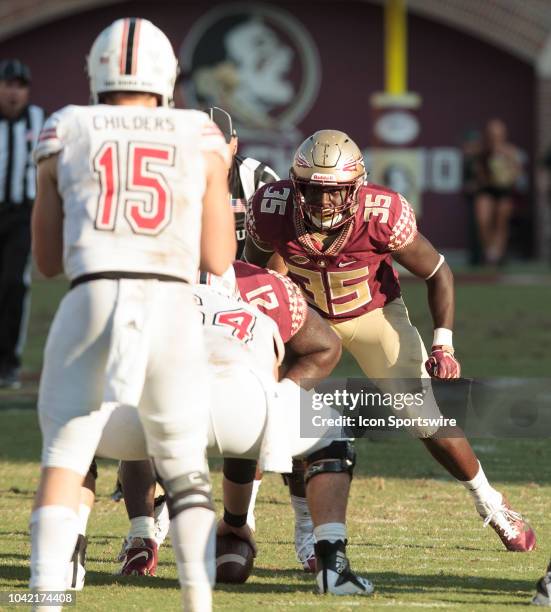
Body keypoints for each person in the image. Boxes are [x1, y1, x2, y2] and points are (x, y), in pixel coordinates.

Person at [244, 129, 536, 557]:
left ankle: (491, 503)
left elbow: (438, 271)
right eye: (313, 190)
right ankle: (255, 524)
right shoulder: (271, 207)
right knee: (268, 408)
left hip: (372, 316)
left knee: (424, 416)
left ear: (356, 187)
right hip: (304, 319)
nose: (324, 202)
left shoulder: (382, 211)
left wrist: (443, 344)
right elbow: (254, 273)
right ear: (295, 184)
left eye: (336, 192)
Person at [29, 17, 235, 612]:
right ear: (168, 75)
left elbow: (45, 262)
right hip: (170, 304)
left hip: (89, 298)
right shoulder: (199, 133)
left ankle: (44, 599)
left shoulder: (64, 127)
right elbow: (219, 256)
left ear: (95, 72)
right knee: (184, 465)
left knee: (64, 460)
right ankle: (198, 601)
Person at [92, 262, 373, 595]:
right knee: (331, 433)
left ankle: (78, 556)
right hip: (241, 406)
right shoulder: (261, 303)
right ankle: (332, 565)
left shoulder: (141, 290)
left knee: (77, 435)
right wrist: (236, 521)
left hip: (154, 412)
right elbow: (323, 347)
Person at [0, 59, 44, 388]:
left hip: (20, 216)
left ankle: (9, 362)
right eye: (8, 84)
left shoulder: (39, 120)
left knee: (14, 284)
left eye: (20, 85)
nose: (14, 92)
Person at [208, 106, 279, 258]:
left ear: (234, 144)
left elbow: (282, 244)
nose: (213, 152)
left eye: (220, 144)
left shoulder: (260, 180)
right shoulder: (174, 177)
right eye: (205, 144)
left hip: (248, 276)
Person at [472, 118, 521, 265]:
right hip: (486, 189)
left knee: (501, 218)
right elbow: (477, 173)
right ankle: (489, 250)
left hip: (504, 191)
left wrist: (506, 174)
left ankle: (498, 253)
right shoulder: (482, 151)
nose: (495, 137)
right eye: (492, 133)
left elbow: (517, 173)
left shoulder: (510, 151)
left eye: (498, 133)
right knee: (482, 218)